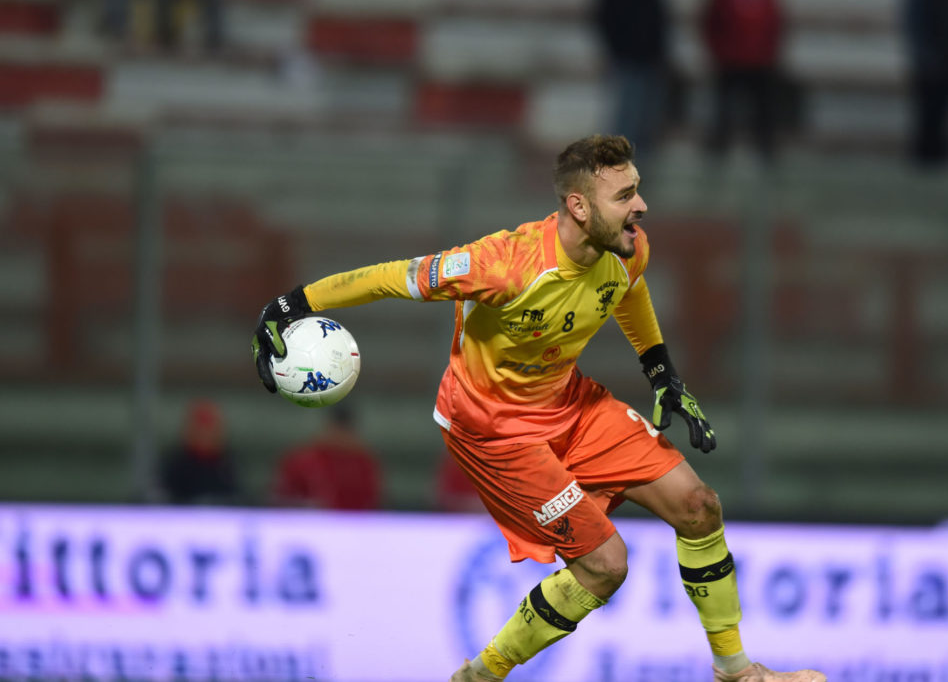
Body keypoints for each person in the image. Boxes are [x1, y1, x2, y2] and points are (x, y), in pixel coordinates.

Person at [251, 135, 824, 682]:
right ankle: (484, 673)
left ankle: (735, 670)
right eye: (625, 195)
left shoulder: (627, 248)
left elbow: (629, 290)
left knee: (699, 507)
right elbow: (391, 279)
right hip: (494, 431)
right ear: (579, 206)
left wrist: (661, 371)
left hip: (568, 401)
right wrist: (292, 304)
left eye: (638, 190)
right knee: (606, 565)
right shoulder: (504, 265)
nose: (641, 206)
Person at [698, 0, 786, 164]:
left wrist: (770, 54)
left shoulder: (766, 3)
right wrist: (717, 52)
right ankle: (719, 147)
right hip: (730, 61)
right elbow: (711, 25)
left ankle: (765, 146)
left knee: (763, 109)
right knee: (724, 108)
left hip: (760, 62)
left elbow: (775, 27)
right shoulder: (723, 3)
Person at [593, 0, 676, 166]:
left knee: (648, 112)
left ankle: (640, 156)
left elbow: (658, 24)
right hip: (628, 57)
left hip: (650, 59)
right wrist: (616, 49)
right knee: (629, 110)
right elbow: (605, 20)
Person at [271, 406, 382, 510]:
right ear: (329, 428)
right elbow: (282, 497)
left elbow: (372, 501)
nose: (340, 438)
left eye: (344, 431)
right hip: (310, 521)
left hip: (352, 521)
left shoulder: (363, 463)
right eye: (337, 430)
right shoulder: (302, 460)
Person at [902, 0, 948, 167]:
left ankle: (937, 157)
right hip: (931, 70)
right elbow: (916, 29)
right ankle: (926, 159)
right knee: (929, 121)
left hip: (947, 68)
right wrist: (929, 61)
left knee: (941, 121)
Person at [158, 399, 240, 505]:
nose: (205, 434)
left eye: (209, 428)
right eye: (200, 429)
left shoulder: (227, 466)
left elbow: (238, 499)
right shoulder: (174, 466)